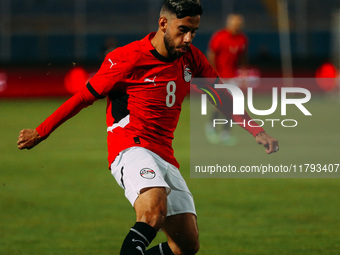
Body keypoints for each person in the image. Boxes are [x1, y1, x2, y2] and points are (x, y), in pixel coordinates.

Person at [17, 1, 279, 254]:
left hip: (165, 153)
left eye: (194, 31)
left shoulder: (192, 58)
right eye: (183, 30)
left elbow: (221, 95)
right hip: (130, 145)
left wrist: (256, 130)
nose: (188, 39)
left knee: (186, 245)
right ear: (163, 23)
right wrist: (41, 131)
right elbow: (84, 97)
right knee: (153, 210)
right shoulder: (128, 58)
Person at [205, 14, 248, 145]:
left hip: (233, 76)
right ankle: (211, 127)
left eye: (239, 24)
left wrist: (244, 72)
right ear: (229, 24)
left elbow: (242, 57)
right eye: (235, 24)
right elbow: (211, 55)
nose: (237, 26)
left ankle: (225, 133)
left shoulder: (242, 39)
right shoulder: (220, 37)